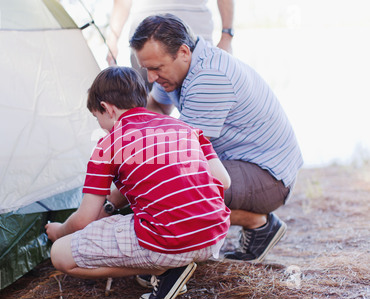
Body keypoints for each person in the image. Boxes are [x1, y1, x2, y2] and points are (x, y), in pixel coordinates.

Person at [129, 14, 304, 263]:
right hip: (243, 163)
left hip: (270, 177)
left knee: (173, 188)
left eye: (157, 68)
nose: (151, 79)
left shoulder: (209, 78)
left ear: (183, 52)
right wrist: (129, 133)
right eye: (147, 69)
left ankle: (257, 223)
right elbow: (156, 106)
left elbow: (179, 155)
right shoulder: (179, 67)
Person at [46, 66, 231, 299]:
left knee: (59, 255)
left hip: (167, 241)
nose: (101, 126)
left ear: (106, 108)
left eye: (97, 118)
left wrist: (60, 231)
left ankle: (163, 269)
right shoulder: (186, 128)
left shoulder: (109, 144)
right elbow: (223, 182)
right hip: (213, 235)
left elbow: (84, 219)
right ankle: (174, 262)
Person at [106, 0, 234, 89]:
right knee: (148, 104)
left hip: (194, 41)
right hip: (143, 46)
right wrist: (113, 38)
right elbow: (122, 2)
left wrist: (226, 36)